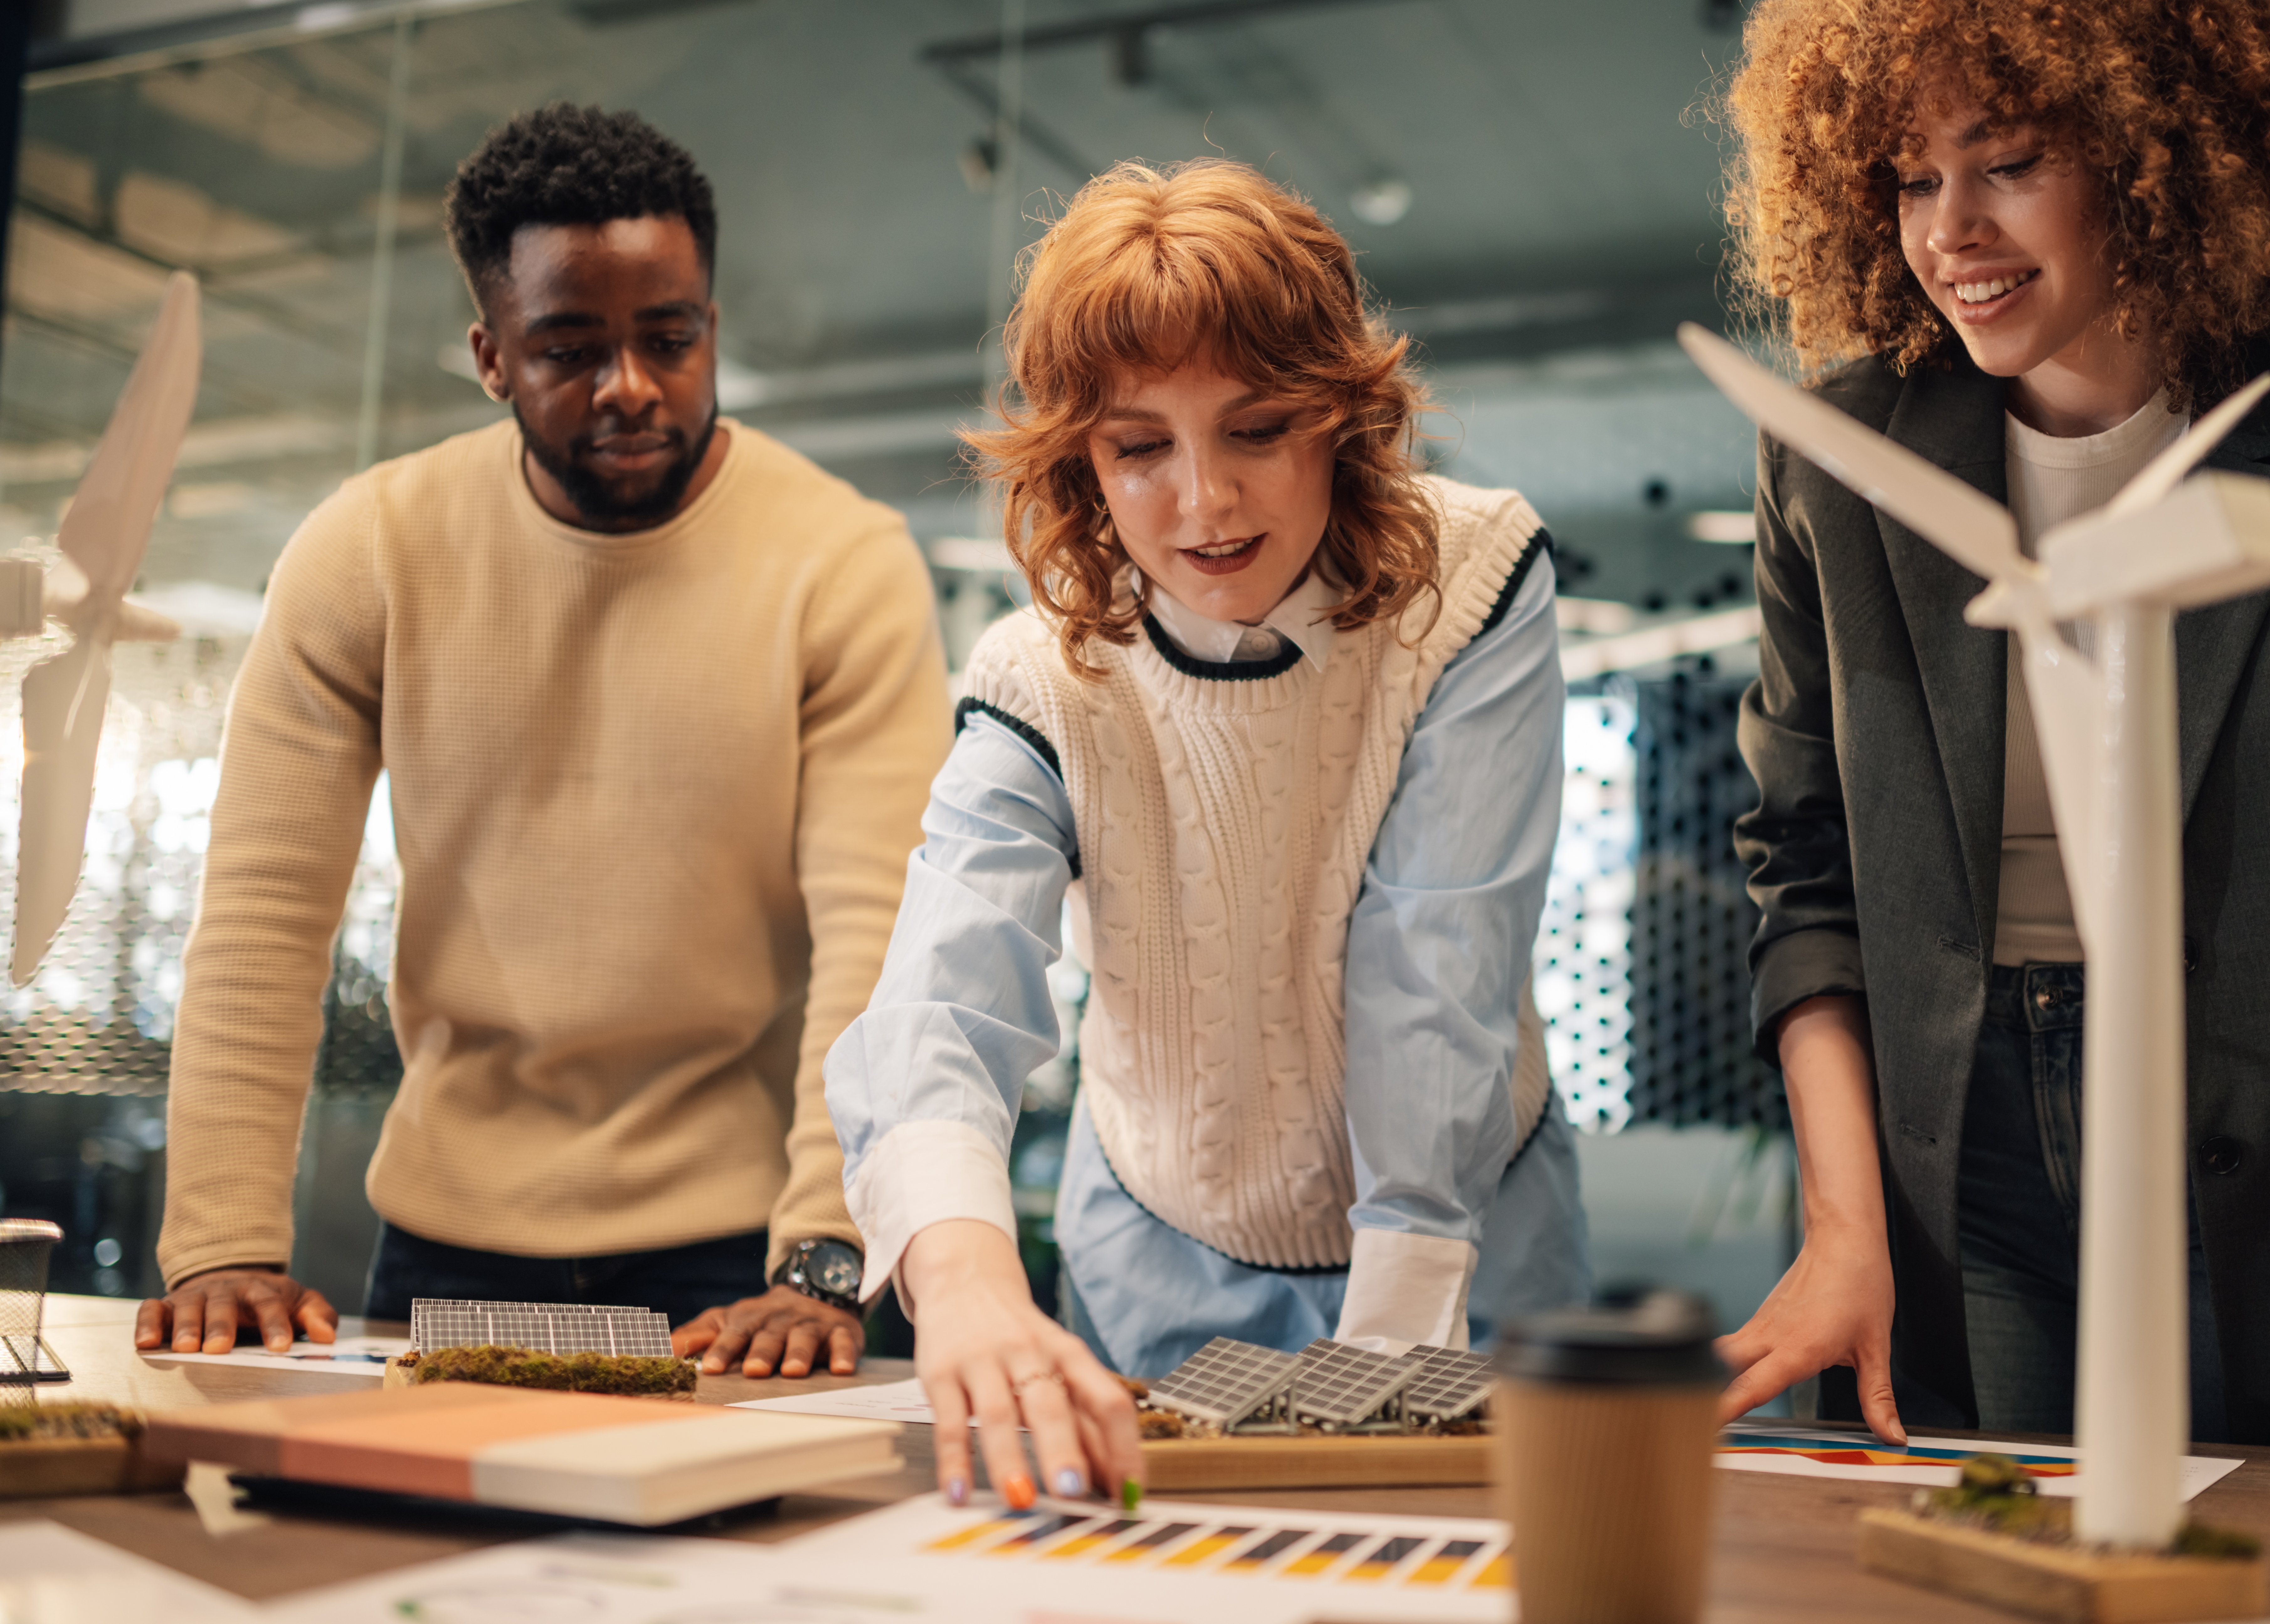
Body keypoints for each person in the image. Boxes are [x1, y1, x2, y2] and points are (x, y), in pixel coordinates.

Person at [1710, 0, 2270, 1471]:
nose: (1946, 230)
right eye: (1910, 177)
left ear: (2164, 143)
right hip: (1955, 1179)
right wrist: (1846, 1228)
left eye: (2008, 159)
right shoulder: (1833, 463)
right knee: (1997, 1559)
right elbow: (1804, 874)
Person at [134, 104, 952, 1381]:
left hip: (743, 1257)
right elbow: (259, 916)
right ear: (490, 354)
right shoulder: (372, 548)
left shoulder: (840, 560)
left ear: (711, 329)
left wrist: (823, 1252)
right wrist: (221, 1241)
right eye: (570, 348)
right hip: (449, 1237)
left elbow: (877, 941)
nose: (630, 385)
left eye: (669, 339)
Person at [827, 159, 1591, 1509]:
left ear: (1341, 419)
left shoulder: (1471, 583)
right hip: (1161, 1247)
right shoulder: (1036, 676)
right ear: (1081, 459)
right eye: (1140, 448)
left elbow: (1441, 952)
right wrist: (960, 1283)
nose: (1206, 503)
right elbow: (940, 999)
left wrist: (1401, 1324)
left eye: (1258, 429)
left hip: (1471, 1223)